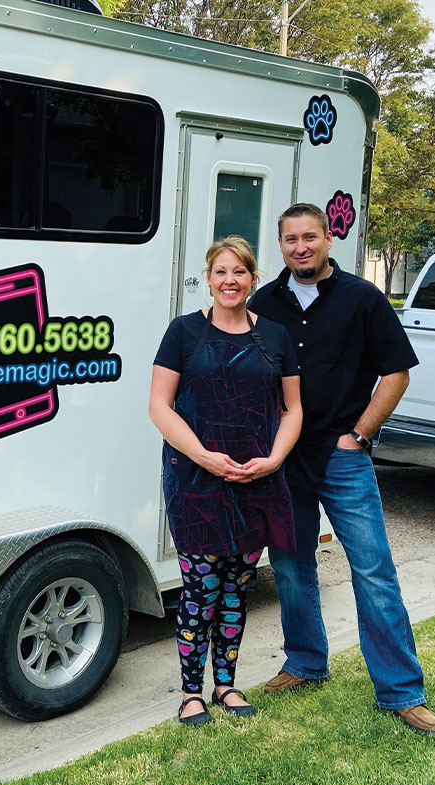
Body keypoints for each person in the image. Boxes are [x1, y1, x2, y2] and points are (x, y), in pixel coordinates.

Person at [247, 202, 435, 736]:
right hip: (285, 460)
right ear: (281, 244)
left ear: (329, 237)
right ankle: (306, 662)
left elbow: (397, 373)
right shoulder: (262, 305)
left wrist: (359, 435)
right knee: (290, 566)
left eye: (309, 236)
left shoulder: (363, 299)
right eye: (290, 239)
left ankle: (402, 691)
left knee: (373, 570)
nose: (300, 247)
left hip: (342, 458)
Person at [149, 235, 302, 726]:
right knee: (200, 588)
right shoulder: (183, 332)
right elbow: (159, 406)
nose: (230, 281)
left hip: (256, 478)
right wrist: (204, 457)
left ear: (253, 278)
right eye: (221, 272)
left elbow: (293, 408)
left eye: (239, 272)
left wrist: (275, 459)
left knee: (238, 587)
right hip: (196, 480)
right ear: (208, 278)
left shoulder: (276, 336)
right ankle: (191, 693)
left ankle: (226, 686)